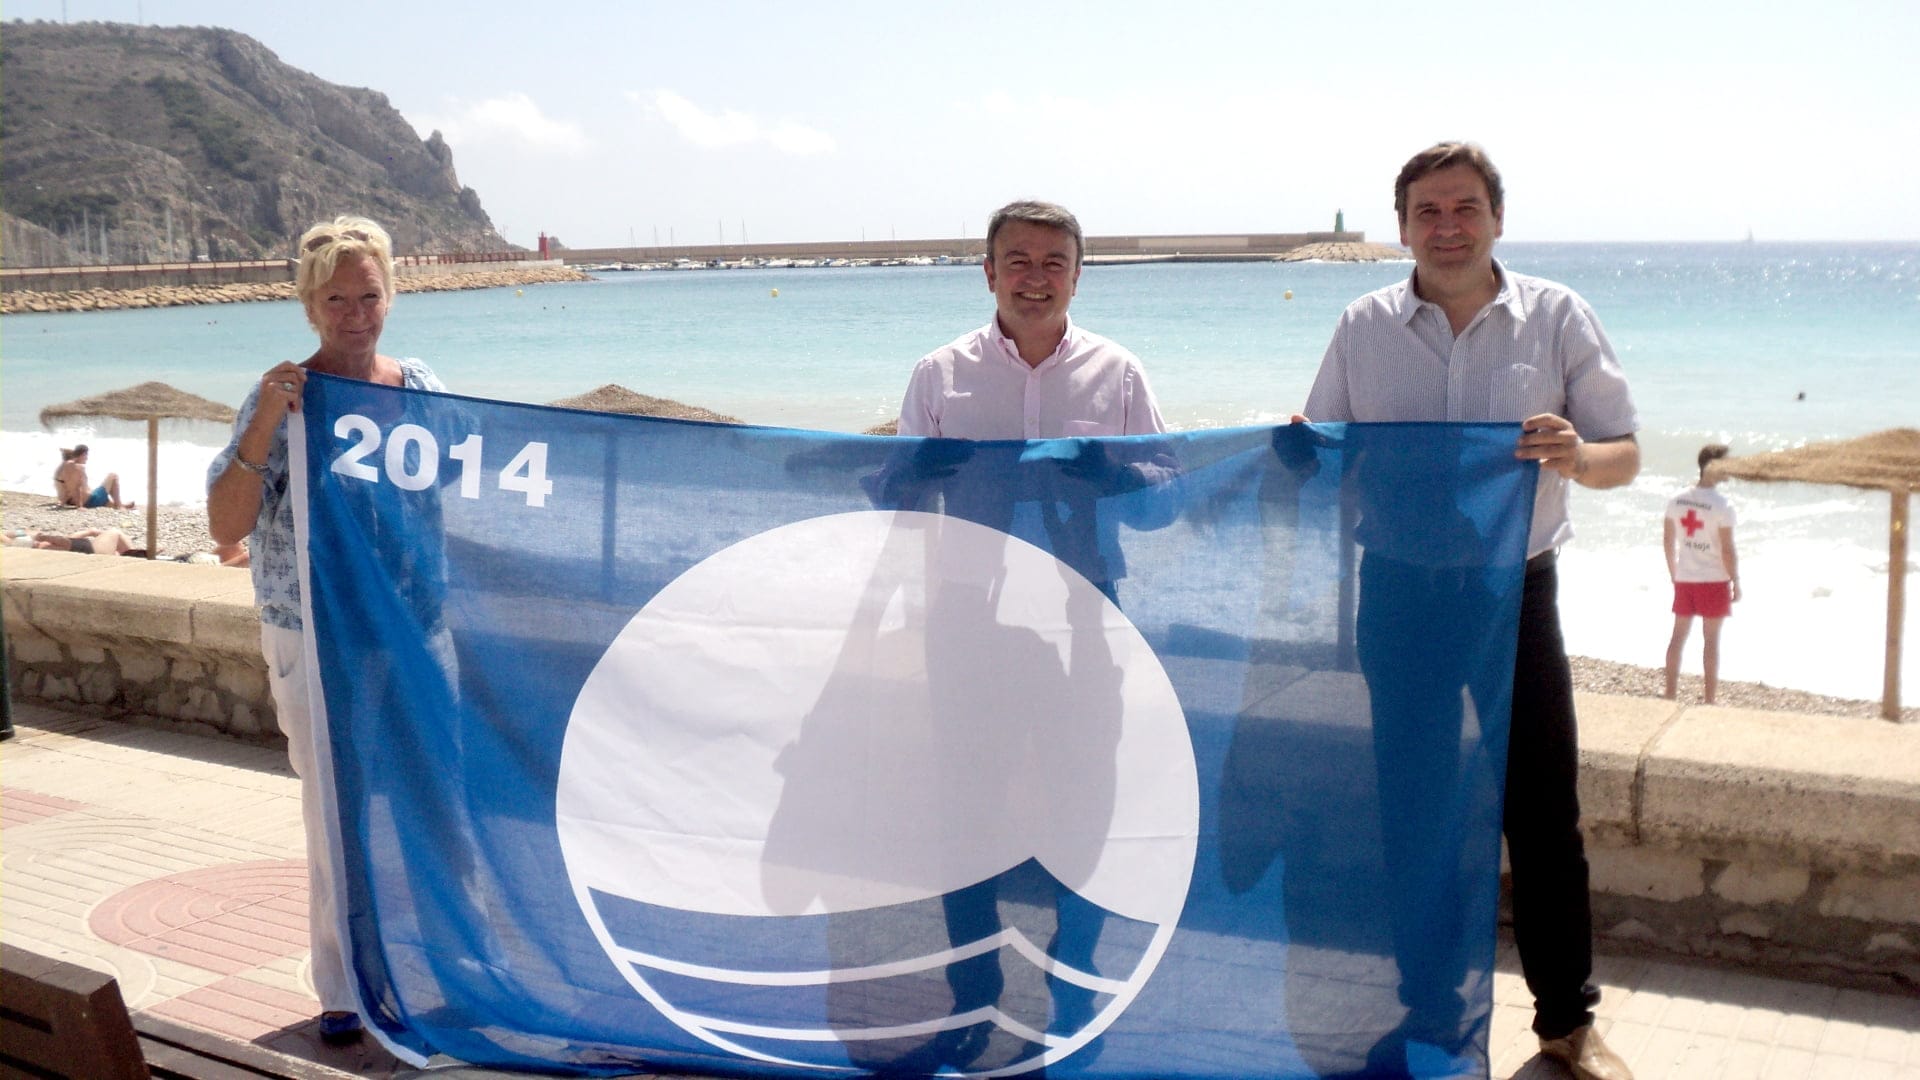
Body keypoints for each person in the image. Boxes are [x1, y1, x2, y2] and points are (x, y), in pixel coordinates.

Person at [1301, 143, 1639, 1080]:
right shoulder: (1362, 324)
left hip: (1516, 596)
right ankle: (1425, 1012)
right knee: (1411, 810)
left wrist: (1577, 454)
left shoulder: (1558, 315)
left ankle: (1567, 1026)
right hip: (1401, 594)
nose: (1446, 226)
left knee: (1542, 812)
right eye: (1426, 211)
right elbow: (1328, 451)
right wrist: (1286, 453)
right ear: (1402, 225)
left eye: (1464, 208)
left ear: (1496, 217)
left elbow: (1626, 454)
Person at [207, 215, 444, 1047]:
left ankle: (434, 969)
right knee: (335, 810)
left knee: (428, 801)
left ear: (392, 296)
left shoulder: (418, 387)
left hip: (410, 632)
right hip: (313, 635)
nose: (355, 313)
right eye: (337, 298)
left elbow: (473, 484)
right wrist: (268, 421)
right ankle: (342, 984)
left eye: (369, 295)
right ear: (310, 305)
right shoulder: (282, 395)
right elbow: (224, 526)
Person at [1664, 445, 1739, 703]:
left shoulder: (1677, 500)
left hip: (1686, 577)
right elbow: (1727, 549)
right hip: (1714, 578)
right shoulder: (1723, 505)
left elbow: (1667, 542)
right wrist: (1736, 581)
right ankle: (1709, 699)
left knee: (1677, 637)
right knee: (1710, 641)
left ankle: (1670, 693)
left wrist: (1675, 573)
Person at [54, 445, 133, 509]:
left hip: (87, 500)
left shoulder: (63, 468)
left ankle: (120, 505)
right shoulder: (76, 467)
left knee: (108, 500)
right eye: (86, 455)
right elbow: (76, 487)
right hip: (91, 500)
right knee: (113, 475)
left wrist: (62, 503)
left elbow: (67, 488)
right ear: (82, 454)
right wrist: (79, 506)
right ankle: (119, 506)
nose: (87, 458)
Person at [31, 527, 138, 555]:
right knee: (115, 533)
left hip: (84, 548)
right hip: (91, 552)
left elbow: (70, 539)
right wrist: (45, 537)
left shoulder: (44, 546)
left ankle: (138, 554)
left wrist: (89, 532)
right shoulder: (43, 546)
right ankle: (139, 558)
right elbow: (67, 542)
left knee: (116, 550)